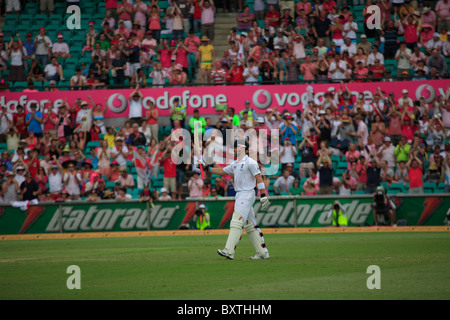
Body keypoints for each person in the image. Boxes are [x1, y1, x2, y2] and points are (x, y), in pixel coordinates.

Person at [199, 140, 270, 260]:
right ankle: (262, 252)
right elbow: (222, 171)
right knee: (250, 225)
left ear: (245, 149)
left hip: (247, 194)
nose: (237, 149)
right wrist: (207, 168)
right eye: (236, 147)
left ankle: (229, 251)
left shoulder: (251, 162)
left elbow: (259, 178)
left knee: (237, 220)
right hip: (240, 195)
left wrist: (263, 195)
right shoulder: (236, 163)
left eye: (240, 147)